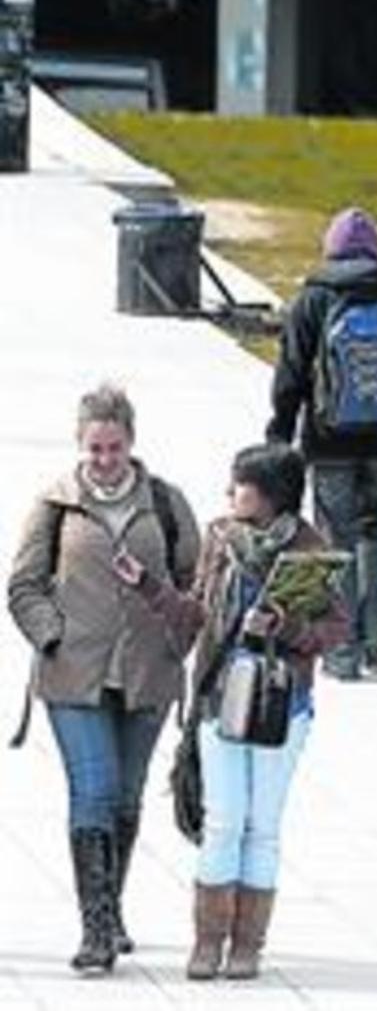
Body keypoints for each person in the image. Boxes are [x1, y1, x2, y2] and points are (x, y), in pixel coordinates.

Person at [126, 443, 350, 980]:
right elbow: (197, 610)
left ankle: (248, 943)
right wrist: (150, 587)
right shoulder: (222, 539)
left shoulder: (310, 549)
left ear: (270, 494)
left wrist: (288, 629)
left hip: (280, 702)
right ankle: (208, 941)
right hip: (220, 697)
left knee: (263, 825)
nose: (231, 493)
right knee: (224, 820)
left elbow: (336, 628)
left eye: (240, 484)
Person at [6, 384, 200, 974]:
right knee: (92, 789)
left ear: (132, 444)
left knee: (126, 794)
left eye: (114, 448)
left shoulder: (166, 503)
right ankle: (94, 930)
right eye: (95, 448)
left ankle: (112, 908)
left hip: (147, 672)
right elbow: (22, 585)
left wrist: (173, 629)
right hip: (76, 675)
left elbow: (196, 586)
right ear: (80, 444)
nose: (105, 459)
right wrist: (52, 635)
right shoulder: (55, 504)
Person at [267, 206, 377, 680]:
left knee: (332, 538)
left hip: (328, 441)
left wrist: (279, 435)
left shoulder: (314, 298)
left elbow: (291, 375)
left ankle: (338, 649)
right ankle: (374, 639)